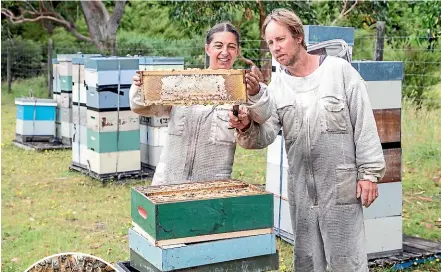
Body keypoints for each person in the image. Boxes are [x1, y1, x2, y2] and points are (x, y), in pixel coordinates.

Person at [229, 8, 386, 272]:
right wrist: (246, 125)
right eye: (270, 43)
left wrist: (369, 174)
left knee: (346, 261)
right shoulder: (279, 85)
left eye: (280, 39)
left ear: (298, 36)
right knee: (308, 262)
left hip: (340, 186)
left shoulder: (339, 72)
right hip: (301, 187)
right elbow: (266, 134)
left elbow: (364, 123)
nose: (275, 48)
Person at [129, 22, 264, 185]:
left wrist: (248, 116)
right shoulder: (182, 83)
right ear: (208, 49)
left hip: (213, 185)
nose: (225, 52)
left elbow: (259, 129)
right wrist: (140, 87)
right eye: (218, 46)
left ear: (237, 51)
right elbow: (139, 106)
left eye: (231, 47)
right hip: (169, 181)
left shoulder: (245, 89)